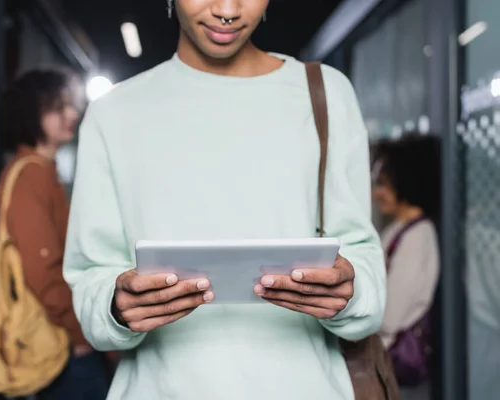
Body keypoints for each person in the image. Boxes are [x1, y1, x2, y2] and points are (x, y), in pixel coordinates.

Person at [63, 1, 386, 399]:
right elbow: (90, 277)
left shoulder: (323, 93)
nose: (228, 9)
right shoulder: (112, 114)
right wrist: (115, 305)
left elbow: (364, 266)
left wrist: (349, 293)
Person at [0, 69, 109, 399]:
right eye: (58, 107)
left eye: (72, 105)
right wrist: (83, 334)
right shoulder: (31, 174)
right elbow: (42, 272)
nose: (72, 114)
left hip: (59, 338)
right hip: (60, 343)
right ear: (32, 111)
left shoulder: (42, 170)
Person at [372, 134, 441, 399]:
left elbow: (390, 316)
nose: (377, 193)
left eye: (385, 185)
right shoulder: (398, 231)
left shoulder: (417, 236)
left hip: (395, 364)